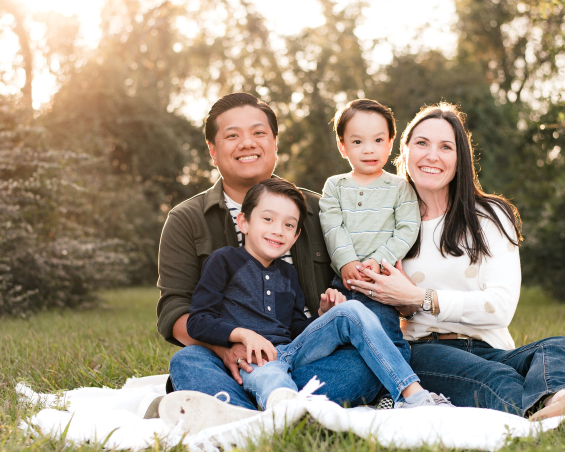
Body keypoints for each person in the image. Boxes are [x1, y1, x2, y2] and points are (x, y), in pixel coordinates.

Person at [344, 103, 565, 422]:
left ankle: (564, 400)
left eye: (446, 147)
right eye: (422, 143)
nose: (432, 155)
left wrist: (419, 298)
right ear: (405, 152)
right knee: (499, 380)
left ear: (459, 158)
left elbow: (500, 306)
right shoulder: (384, 223)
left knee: (559, 347)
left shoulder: (489, 216)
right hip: (425, 350)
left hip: (492, 346)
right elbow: (368, 303)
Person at [153, 93, 407, 428]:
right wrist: (227, 348)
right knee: (188, 360)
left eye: (258, 133)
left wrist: (328, 314)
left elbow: (361, 278)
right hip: (228, 358)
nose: (247, 143)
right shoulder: (187, 219)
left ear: (275, 143)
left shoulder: (321, 210)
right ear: (213, 151)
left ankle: (239, 410)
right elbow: (175, 313)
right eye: (232, 135)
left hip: (303, 358)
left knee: (365, 363)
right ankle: (285, 410)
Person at [158, 179, 450, 428]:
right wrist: (240, 334)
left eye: (289, 225)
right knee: (187, 360)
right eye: (268, 219)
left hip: (287, 356)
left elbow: (297, 327)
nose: (278, 230)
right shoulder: (223, 260)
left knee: (351, 312)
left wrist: (324, 315)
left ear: (296, 235)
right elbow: (198, 320)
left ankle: (414, 395)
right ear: (243, 222)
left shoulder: (287, 272)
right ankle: (268, 417)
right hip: (249, 361)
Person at [319, 99, 419, 366]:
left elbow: (407, 228)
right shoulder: (335, 186)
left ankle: (397, 389)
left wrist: (378, 260)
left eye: (377, 140)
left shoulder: (400, 187)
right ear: (342, 146)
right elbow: (332, 225)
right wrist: (347, 262)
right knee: (340, 340)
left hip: (379, 283)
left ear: (390, 143)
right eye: (357, 142)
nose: (368, 150)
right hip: (344, 281)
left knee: (385, 335)